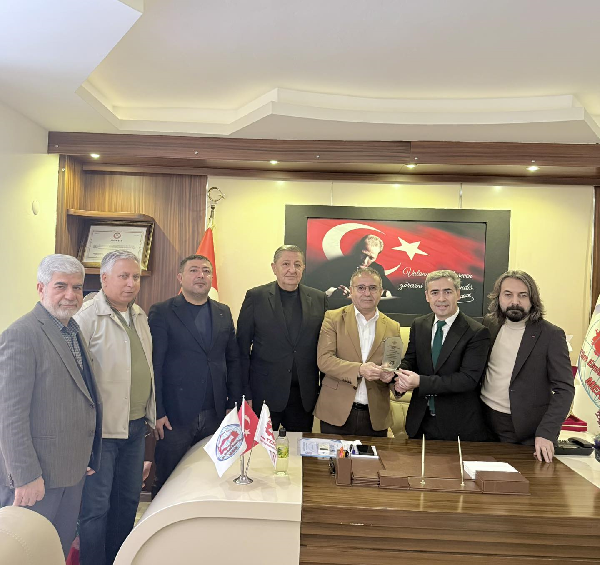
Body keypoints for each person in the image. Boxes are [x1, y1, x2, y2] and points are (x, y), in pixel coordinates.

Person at [0, 254, 101, 557]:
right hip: (37, 478)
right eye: (61, 286)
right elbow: (9, 416)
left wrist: (86, 453)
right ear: (41, 288)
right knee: (27, 554)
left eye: (77, 287)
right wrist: (26, 476)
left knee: (56, 551)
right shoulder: (22, 335)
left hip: (70, 472)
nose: (71, 295)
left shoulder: (72, 330)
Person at [74, 250, 156, 565]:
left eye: (135, 277)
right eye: (123, 276)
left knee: (127, 502)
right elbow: (74, 378)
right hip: (101, 432)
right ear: (104, 279)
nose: (131, 283)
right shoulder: (86, 316)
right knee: (96, 508)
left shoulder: (139, 315)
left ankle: (119, 559)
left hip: (135, 427)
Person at [148, 254, 242, 495]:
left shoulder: (223, 312)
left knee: (209, 479)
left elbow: (233, 360)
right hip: (175, 416)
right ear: (180, 277)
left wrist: (233, 404)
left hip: (215, 413)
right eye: (194, 270)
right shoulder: (162, 312)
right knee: (169, 481)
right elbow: (155, 365)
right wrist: (158, 411)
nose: (201, 275)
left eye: (206, 271)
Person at [481, 270, 575, 462]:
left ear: (533, 299)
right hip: (483, 420)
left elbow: (564, 389)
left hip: (524, 431)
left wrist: (547, 432)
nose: (515, 301)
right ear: (498, 297)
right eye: (508, 294)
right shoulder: (489, 324)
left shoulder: (551, 335)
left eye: (522, 295)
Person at [237, 245, 327, 432]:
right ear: (274, 267)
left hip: (303, 396)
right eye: (285, 264)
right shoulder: (256, 297)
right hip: (264, 394)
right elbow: (241, 349)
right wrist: (245, 392)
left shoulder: (319, 298)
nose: (292, 270)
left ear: (303, 268)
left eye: (297, 264)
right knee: (260, 449)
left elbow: (325, 347)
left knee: (299, 448)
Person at [395, 269, 490, 441]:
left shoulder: (477, 332)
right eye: (435, 292)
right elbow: (411, 360)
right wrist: (398, 374)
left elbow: (467, 379)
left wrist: (420, 382)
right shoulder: (419, 325)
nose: (441, 299)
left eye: (447, 292)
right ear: (427, 296)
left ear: (458, 294)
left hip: (457, 426)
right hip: (420, 421)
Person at [314, 267, 400, 436]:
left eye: (373, 288)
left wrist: (391, 377)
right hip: (336, 412)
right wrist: (360, 369)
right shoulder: (333, 318)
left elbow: (392, 366)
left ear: (381, 291)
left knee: (374, 456)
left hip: (375, 417)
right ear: (351, 290)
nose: (367, 293)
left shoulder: (393, 327)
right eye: (361, 288)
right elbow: (324, 360)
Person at [305, 234, 397, 298]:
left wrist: (386, 293)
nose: (365, 261)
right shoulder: (337, 265)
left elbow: (393, 292)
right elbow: (313, 288)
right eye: (363, 254)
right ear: (357, 250)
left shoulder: (378, 269)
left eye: (371, 258)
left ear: (376, 257)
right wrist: (334, 292)